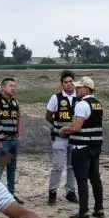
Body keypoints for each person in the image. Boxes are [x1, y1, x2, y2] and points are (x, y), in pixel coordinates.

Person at [61, 76, 106, 218]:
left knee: (81, 178)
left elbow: (76, 127)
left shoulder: (82, 104)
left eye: (79, 87)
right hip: (95, 145)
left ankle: (84, 211)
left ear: (86, 89)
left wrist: (64, 130)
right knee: (95, 178)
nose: (75, 89)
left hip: (81, 146)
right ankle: (99, 209)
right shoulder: (97, 104)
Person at [44, 72, 79, 206]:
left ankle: (71, 192)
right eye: (66, 82)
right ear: (62, 84)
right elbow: (48, 115)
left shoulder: (79, 98)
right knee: (57, 166)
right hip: (60, 138)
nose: (69, 84)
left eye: (71, 81)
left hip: (75, 138)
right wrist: (57, 127)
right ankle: (52, 193)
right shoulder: (56, 98)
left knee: (72, 167)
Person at [0, 77, 23, 197]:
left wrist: (18, 133)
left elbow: (18, 118)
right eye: (10, 86)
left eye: (14, 86)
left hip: (13, 140)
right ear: (3, 87)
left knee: (12, 169)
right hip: (3, 141)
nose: (13, 88)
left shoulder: (15, 101)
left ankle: (10, 194)